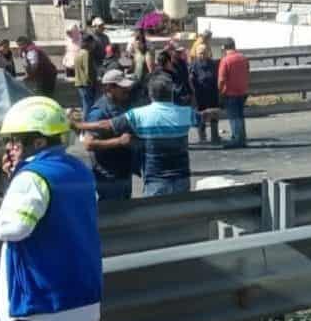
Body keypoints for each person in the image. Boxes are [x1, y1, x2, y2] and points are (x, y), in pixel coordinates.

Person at [0, 96, 102, 321]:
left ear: (39, 142)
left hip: (37, 309)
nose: (9, 147)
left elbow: (9, 228)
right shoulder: (80, 170)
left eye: (15, 140)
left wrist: (16, 182)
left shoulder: (31, 177)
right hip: (82, 302)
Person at [73, 74, 211, 197]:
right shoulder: (185, 113)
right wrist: (214, 111)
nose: (127, 90)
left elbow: (105, 125)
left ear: (151, 94)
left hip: (155, 181)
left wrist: (79, 125)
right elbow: (203, 117)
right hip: (182, 180)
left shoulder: (139, 114)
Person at [83, 70, 135, 201]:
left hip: (123, 172)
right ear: (109, 88)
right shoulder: (99, 112)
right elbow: (88, 144)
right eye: (121, 87)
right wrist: (118, 141)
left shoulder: (121, 104)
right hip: (109, 176)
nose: (126, 89)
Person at [218, 38, 250, 148]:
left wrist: (220, 92)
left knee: (233, 117)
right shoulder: (243, 58)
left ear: (225, 48)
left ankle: (237, 139)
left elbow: (221, 79)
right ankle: (242, 138)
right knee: (240, 116)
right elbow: (247, 72)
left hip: (230, 92)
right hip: (242, 91)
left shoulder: (226, 60)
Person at [189, 44, 221, 143]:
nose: (202, 55)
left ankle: (215, 136)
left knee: (214, 115)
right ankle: (202, 137)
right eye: (200, 53)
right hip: (200, 94)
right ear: (197, 54)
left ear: (208, 53)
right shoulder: (194, 65)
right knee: (202, 116)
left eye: (204, 53)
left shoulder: (213, 64)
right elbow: (190, 80)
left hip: (212, 93)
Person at [74, 34, 99, 117]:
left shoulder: (78, 52)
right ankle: (86, 125)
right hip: (86, 84)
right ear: (88, 43)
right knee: (88, 106)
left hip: (80, 83)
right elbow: (88, 71)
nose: (94, 45)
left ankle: (85, 125)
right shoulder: (86, 53)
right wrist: (93, 82)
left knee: (85, 105)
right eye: (93, 43)